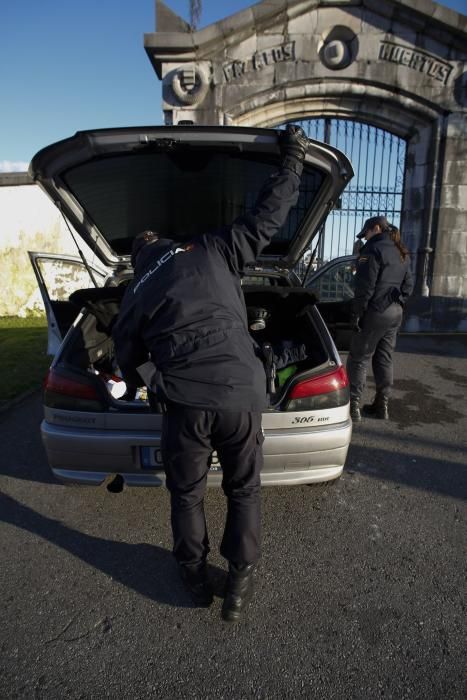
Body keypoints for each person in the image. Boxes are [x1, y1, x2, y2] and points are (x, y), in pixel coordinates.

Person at [111, 124, 309, 622]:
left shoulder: (137, 290)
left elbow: (124, 352)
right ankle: (239, 582)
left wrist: (145, 381)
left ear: (138, 256)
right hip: (242, 394)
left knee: (188, 493)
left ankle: (195, 577)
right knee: (244, 489)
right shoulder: (213, 248)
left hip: (185, 403)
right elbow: (269, 216)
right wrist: (292, 160)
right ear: (168, 242)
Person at [346, 216, 413, 422]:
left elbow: (365, 288)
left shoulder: (372, 250)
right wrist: (396, 303)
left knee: (358, 357)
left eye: (366, 233)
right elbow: (408, 286)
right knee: (384, 358)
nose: (365, 238)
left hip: (375, 312)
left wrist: (358, 314)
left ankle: (353, 406)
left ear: (376, 228)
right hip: (395, 313)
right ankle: (381, 406)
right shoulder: (401, 251)